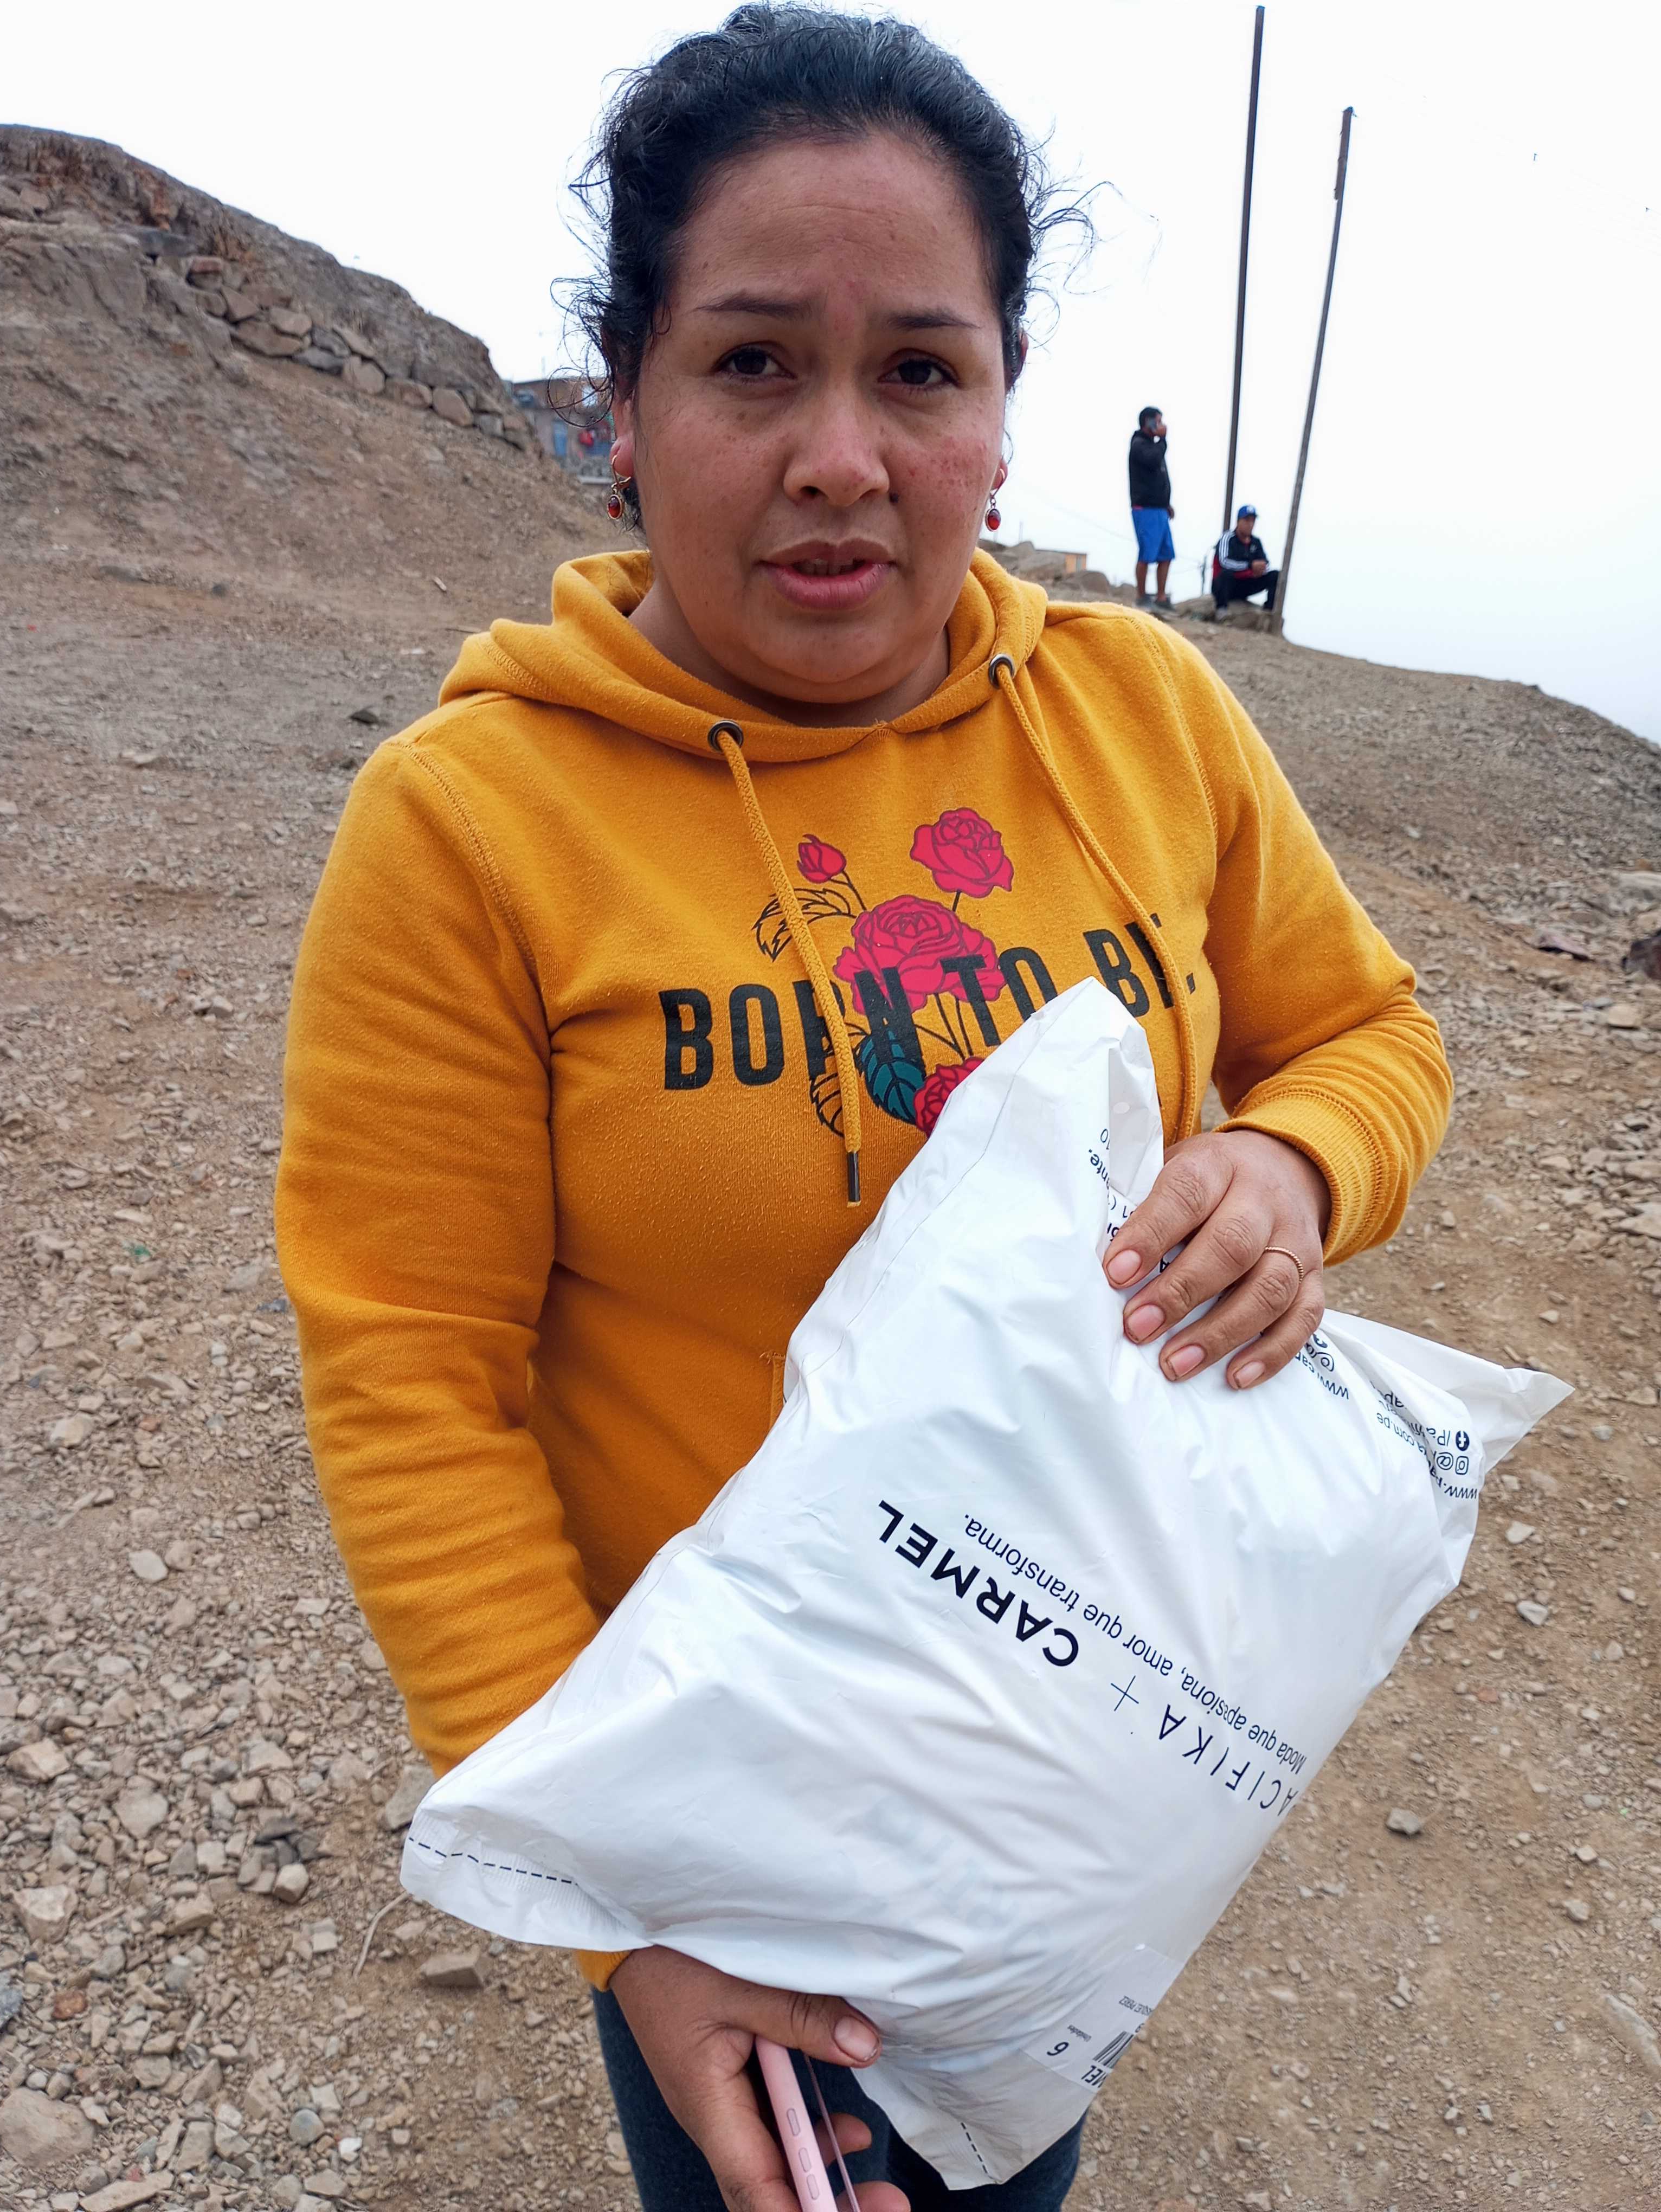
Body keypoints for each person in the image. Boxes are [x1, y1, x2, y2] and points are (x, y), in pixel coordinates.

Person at [275, 10, 1453, 2210]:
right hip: (734, 1828)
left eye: (919, 370)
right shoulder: (469, 825)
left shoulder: (1143, 713)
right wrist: (621, 1908)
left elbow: (1367, 1036)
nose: (841, 456)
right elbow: (413, 1387)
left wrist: (1290, 1166)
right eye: (752, 365)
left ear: (1001, 411)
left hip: (1079, 1756)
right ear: (623, 402)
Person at [1128, 404, 1176, 611]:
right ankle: (1141, 597)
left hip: (1159, 509)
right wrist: (1163, 440)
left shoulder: (1151, 445)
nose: (1162, 425)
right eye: (1158, 421)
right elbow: (1154, 460)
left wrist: (1166, 504)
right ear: (1148, 422)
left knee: (1166, 554)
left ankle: (1161, 597)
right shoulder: (1139, 444)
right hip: (1145, 509)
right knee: (1147, 553)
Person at [1212, 503, 1279, 618]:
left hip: (1246, 584)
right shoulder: (1228, 538)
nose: (1250, 525)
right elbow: (1224, 561)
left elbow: (1266, 564)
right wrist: (1250, 565)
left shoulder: (1256, 542)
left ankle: (1269, 612)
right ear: (1238, 521)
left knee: (1276, 575)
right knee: (1226, 574)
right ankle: (1222, 611)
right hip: (1227, 585)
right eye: (1247, 521)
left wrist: (1260, 569)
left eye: (1253, 521)